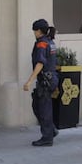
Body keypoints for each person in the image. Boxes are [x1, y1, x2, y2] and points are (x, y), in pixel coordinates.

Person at [23, 19, 59, 147]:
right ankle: (51, 130)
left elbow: (40, 63)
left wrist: (29, 80)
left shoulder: (42, 44)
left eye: (34, 30)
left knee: (44, 109)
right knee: (37, 105)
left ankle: (47, 137)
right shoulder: (50, 41)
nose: (33, 33)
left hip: (45, 80)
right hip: (51, 78)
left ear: (38, 31)